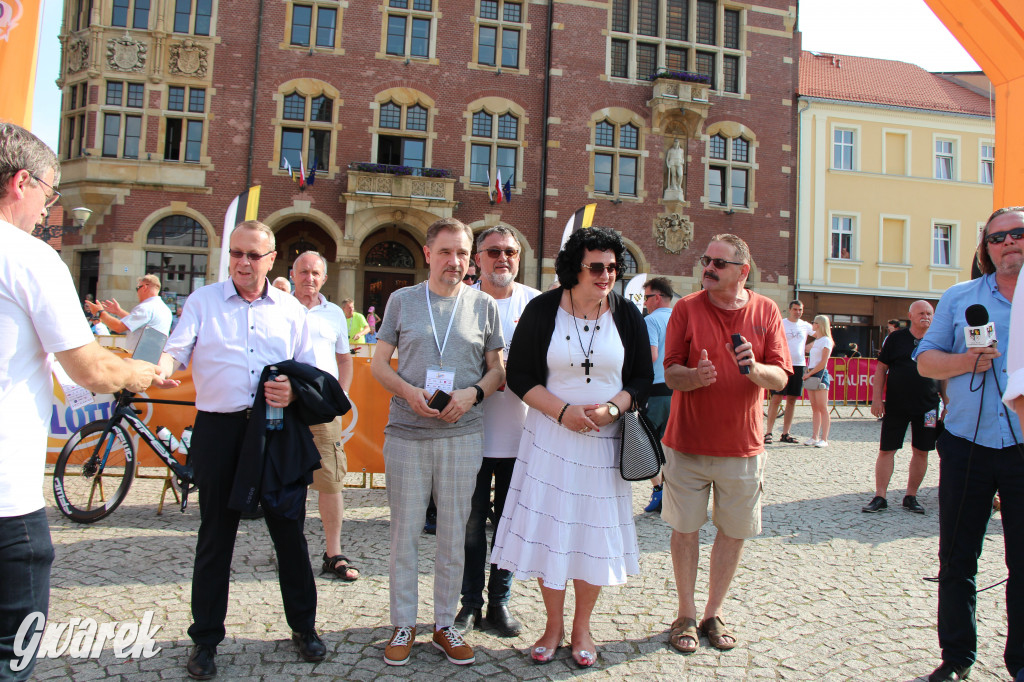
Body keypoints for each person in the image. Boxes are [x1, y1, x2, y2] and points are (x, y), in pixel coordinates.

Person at [0, 122, 158, 681]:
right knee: (10, 651)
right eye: (48, 191)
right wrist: (138, 370)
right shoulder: (28, 256)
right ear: (21, 183)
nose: (49, 209)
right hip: (5, 501)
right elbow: (90, 367)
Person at [156, 220, 327, 679]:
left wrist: (292, 391)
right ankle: (206, 639)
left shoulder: (291, 309)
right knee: (215, 537)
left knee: (289, 535)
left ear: (272, 260)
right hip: (219, 432)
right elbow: (174, 350)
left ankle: (304, 627)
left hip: (276, 434)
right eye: (236, 254)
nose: (243, 263)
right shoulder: (202, 301)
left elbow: (310, 373)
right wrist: (158, 368)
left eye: (254, 255)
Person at [491, 226, 653, 668]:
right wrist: (562, 412)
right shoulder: (543, 310)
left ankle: (582, 628)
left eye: (613, 268)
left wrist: (613, 410)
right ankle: (553, 626)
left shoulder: (627, 314)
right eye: (596, 267)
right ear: (573, 269)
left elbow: (641, 379)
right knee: (554, 534)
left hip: (604, 443)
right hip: (550, 437)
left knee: (590, 537)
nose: (606, 275)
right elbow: (521, 376)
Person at [370, 217, 505, 667]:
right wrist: (408, 392)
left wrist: (472, 394)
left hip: (462, 434)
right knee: (405, 532)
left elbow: (497, 370)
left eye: (462, 253)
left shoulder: (484, 305)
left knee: (454, 534)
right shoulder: (402, 300)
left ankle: (445, 622)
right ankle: (403, 622)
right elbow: (379, 364)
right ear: (429, 254)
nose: (455, 261)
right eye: (446, 252)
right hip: (407, 433)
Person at [661, 234, 789, 656]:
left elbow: (783, 379)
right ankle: (684, 612)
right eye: (707, 259)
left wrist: (756, 369)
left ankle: (712, 613)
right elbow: (670, 373)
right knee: (685, 530)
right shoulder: (686, 308)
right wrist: (693, 377)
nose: (709, 267)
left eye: (720, 262)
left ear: (743, 271)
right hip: (688, 444)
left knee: (732, 533)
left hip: (743, 448)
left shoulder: (766, 310)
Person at [915, 206, 1024, 682]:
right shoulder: (960, 298)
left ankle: (1020, 661)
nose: (1008, 243)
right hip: (967, 444)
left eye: (1018, 234)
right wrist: (967, 362)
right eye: (997, 237)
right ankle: (957, 657)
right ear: (985, 247)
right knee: (957, 558)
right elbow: (925, 362)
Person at [453, 226, 540, 638]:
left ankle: (500, 601)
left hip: (521, 433)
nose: (502, 258)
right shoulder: (461, 301)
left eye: (510, 251)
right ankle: (469, 603)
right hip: (469, 432)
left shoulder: (537, 304)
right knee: (470, 525)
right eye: (493, 252)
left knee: (508, 524)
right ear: (478, 260)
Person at [291, 251, 358, 581]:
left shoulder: (334, 313)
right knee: (286, 482)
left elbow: (344, 359)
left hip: (322, 411)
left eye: (315, 272)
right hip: (284, 409)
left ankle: (334, 553)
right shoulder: (277, 307)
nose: (309, 278)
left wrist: (340, 395)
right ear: (292, 274)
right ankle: (290, 551)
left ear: (325, 278)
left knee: (330, 481)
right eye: (303, 271)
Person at [863, 300, 947, 514]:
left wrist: (947, 404)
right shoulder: (896, 338)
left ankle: (911, 496)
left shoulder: (939, 340)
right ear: (910, 315)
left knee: (922, 450)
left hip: (928, 407)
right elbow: (881, 369)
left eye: (929, 313)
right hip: (897, 405)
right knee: (887, 449)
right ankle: (880, 496)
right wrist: (876, 399)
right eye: (921, 313)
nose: (925, 316)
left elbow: (944, 375)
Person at [641, 276, 675, 513]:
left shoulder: (651, 320)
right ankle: (674, 493)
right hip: (679, 390)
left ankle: (659, 489)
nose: (644, 303)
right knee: (673, 447)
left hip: (654, 392)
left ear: (658, 297)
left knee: (646, 445)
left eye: (646, 297)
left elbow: (650, 356)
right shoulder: (683, 319)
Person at [765, 300, 813, 445]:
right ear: (790, 310)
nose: (798, 312)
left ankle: (786, 433)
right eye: (795, 309)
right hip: (782, 364)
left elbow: (824, 334)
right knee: (776, 398)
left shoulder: (805, 325)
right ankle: (768, 432)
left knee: (792, 400)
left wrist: (813, 345)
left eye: (800, 310)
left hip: (799, 365)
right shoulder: (781, 322)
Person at [84, 274, 172, 352]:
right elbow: (138, 323)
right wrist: (119, 312)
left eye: (137, 288)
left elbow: (118, 327)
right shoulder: (164, 309)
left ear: (144, 287)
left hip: (140, 359)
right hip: (154, 357)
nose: (137, 292)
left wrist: (100, 312)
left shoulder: (146, 307)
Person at [803, 315, 834, 447]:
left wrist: (810, 373)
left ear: (819, 325)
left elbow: (823, 362)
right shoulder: (817, 340)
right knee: (815, 407)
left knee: (822, 407)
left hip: (819, 373)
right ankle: (814, 436)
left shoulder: (826, 340)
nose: (813, 325)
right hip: (811, 372)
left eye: (814, 323)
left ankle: (824, 438)